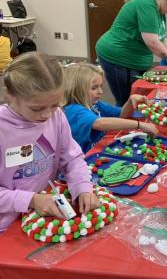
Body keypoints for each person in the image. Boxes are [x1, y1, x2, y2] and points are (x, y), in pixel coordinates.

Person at [0, 52, 99, 232]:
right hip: (7, 225)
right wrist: (30, 200)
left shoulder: (56, 117)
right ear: (11, 95)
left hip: (45, 214)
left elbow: (71, 158)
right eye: (36, 108)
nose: (46, 115)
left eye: (55, 105)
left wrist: (82, 186)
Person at [96, 0, 167, 106]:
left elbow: (162, 38)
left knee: (138, 99)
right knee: (126, 101)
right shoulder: (147, 5)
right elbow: (152, 42)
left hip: (134, 59)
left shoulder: (160, 11)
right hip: (117, 56)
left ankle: (134, 125)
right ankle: (123, 125)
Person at [63, 63, 159, 153]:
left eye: (100, 86)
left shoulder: (96, 105)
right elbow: (99, 123)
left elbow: (121, 114)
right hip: (85, 159)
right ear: (77, 89)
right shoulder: (74, 110)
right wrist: (139, 125)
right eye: (94, 88)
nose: (100, 91)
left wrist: (130, 101)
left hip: (100, 150)